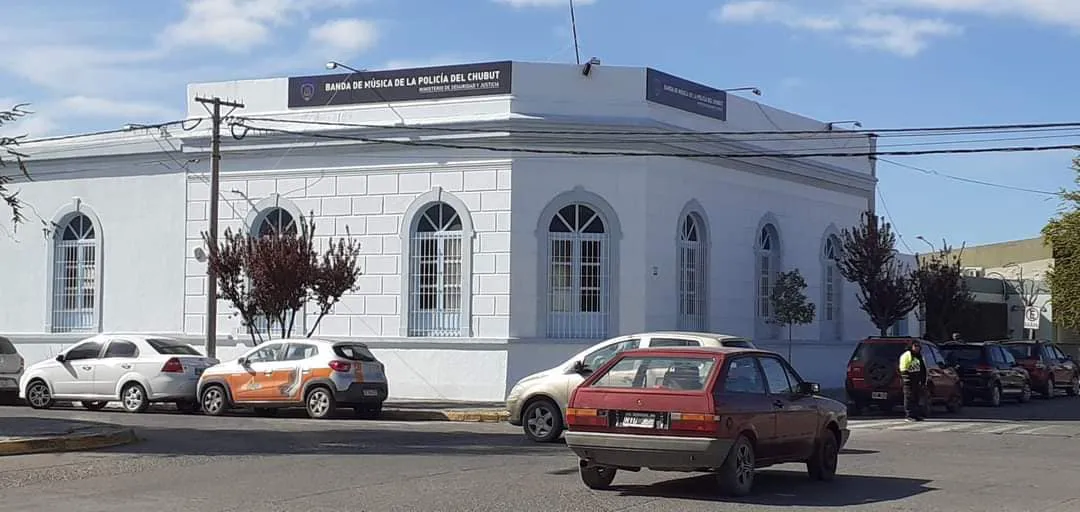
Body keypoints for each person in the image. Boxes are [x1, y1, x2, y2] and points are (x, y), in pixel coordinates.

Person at [898, 340, 928, 422]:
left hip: (917, 379)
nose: (917, 348)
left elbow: (922, 369)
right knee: (909, 397)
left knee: (916, 398)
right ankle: (909, 415)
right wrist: (906, 378)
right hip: (909, 379)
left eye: (918, 346)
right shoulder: (907, 355)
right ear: (911, 346)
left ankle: (916, 415)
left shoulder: (919, 356)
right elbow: (903, 367)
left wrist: (923, 380)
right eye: (915, 346)